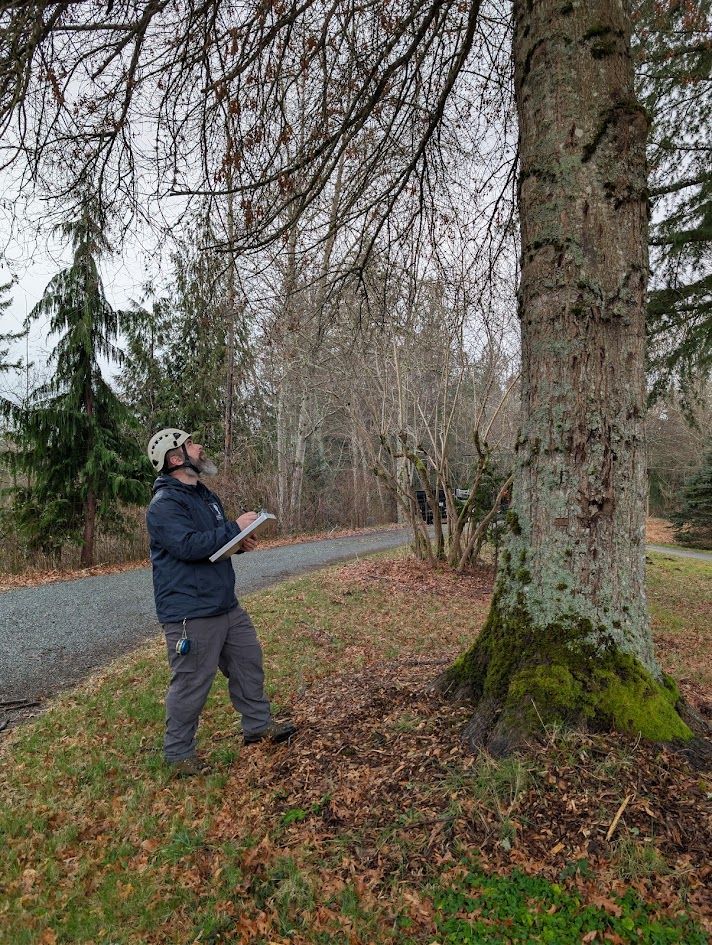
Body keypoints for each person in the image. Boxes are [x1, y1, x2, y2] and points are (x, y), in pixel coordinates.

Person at [146, 428, 296, 776]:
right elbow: (187, 545)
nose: (200, 446)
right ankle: (178, 754)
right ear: (176, 458)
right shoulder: (164, 505)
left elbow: (211, 546)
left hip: (224, 603)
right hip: (190, 612)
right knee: (191, 683)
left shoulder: (205, 496)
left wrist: (239, 540)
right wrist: (232, 528)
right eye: (191, 444)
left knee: (248, 662)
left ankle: (257, 726)